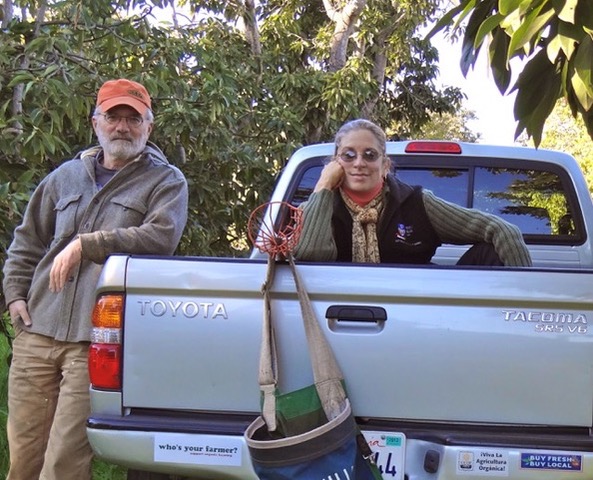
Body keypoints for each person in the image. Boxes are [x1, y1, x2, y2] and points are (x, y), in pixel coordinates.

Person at [2, 78, 189, 480]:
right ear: (96, 123)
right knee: (23, 454)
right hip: (37, 329)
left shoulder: (166, 181)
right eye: (113, 117)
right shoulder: (64, 177)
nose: (122, 127)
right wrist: (16, 297)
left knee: (64, 461)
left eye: (132, 119)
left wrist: (88, 244)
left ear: (148, 128)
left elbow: (160, 237)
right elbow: (27, 239)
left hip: (97, 339)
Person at [293, 118, 532, 267]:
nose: (358, 163)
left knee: (488, 251)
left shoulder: (417, 204)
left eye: (370, 154)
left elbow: (504, 231)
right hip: (338, 323)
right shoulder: (314, 210)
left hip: (420, 324)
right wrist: (324, 185)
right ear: (335, 162)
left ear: (385, 165)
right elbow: (311, 257)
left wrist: (526, 310)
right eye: (348, 155)